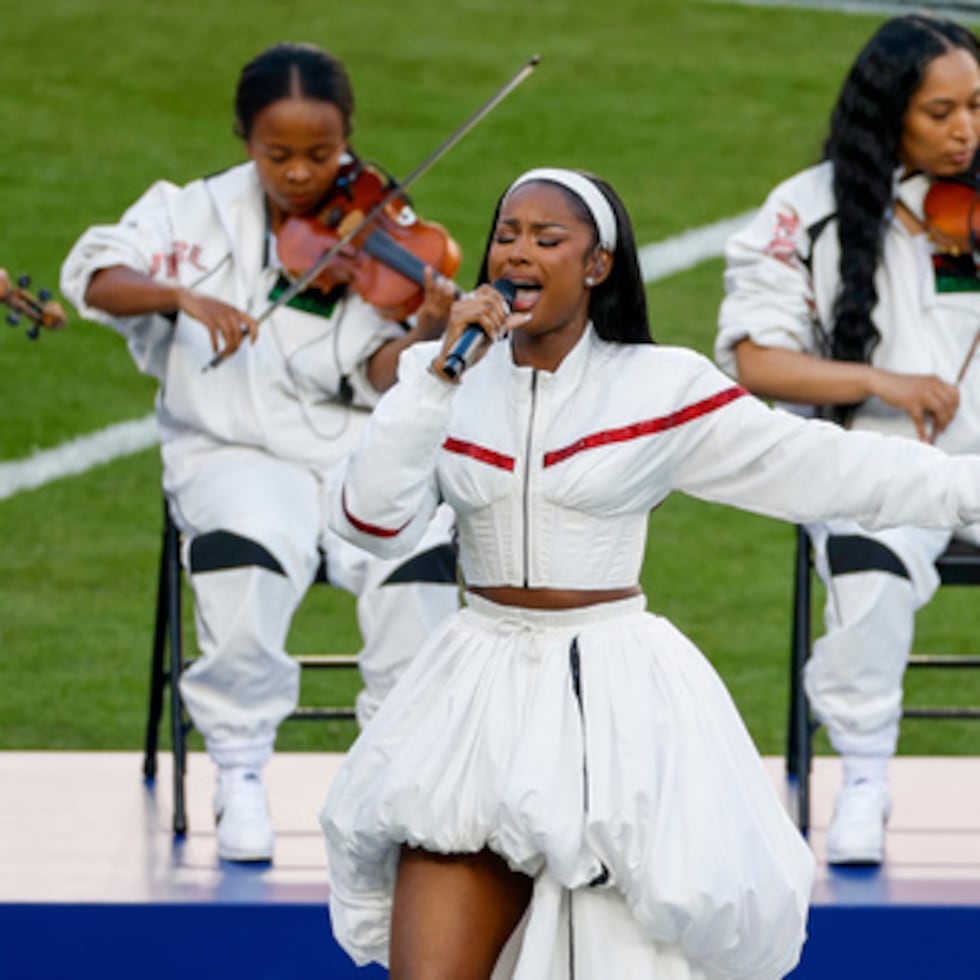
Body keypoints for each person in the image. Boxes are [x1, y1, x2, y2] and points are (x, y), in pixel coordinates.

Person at [318, 166, 980, 978]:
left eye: (547, 239)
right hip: (474, 701)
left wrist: (967, 488)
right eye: (507, 234)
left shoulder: (660, 387)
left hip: (614, 708)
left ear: (597, 266)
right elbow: (369, 522)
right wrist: (435, 381)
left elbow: (826, 466)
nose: (518, 253)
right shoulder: (444, 379)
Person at [59, 42, 461, 863]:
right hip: (231, 448)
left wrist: (423, 332)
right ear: (244, 138)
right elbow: (95, 277)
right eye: (278, 155)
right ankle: (239, 770)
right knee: (247, 552)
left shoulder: (381, 228)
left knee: (419, 551)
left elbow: (384, 376)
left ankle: (393, 774)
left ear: (349, 137)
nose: (302, 175)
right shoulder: (186, 213)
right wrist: (179, 295)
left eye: (323, 154)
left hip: (356, 446)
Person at [715, 13, 980, 867]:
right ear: (888, 112)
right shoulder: (807, 209)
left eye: (976, 106)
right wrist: (879, 381)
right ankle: (865, 777)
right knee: (868, 567)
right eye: (941, 111)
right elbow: (755, 360)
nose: (966, 130)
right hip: (877, 467)